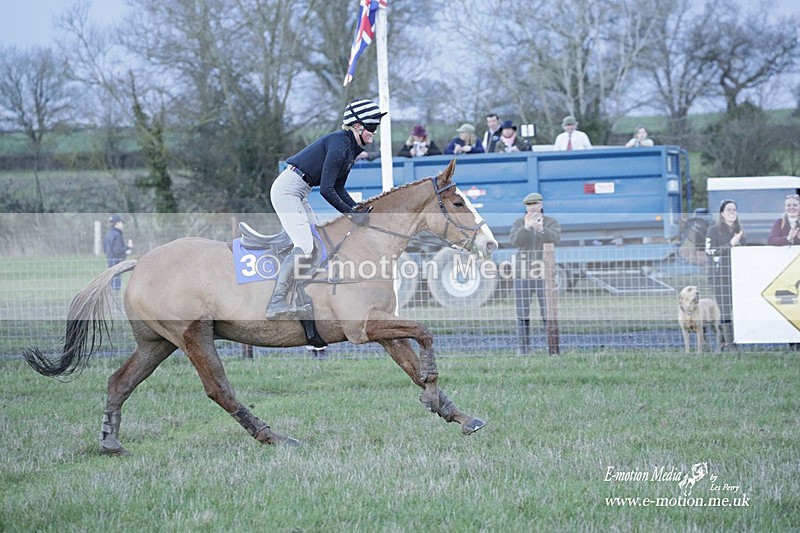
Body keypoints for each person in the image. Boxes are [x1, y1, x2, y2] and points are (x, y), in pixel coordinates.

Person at [266, 98, 383, 319]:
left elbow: (339, 187)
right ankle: (276, 301)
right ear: (357, 126)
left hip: (298, 190)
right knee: (305, 245)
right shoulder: (340, 144)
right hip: (287, 190)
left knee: (316, 244)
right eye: (371, 127)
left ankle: (297, 296)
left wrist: (358, 209)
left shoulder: (351, 148)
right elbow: (327, 190)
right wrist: (352, 215)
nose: (373, 133)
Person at [509, 192, 561, 355]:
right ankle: (523, 349)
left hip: (544, 275)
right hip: (523, 274)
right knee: (522, 312)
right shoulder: (519, 222)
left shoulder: (551, 222)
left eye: (535, 204)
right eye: (529, 205)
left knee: (548, 312)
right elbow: (514, 241)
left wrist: (540, 229)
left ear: (541, 205)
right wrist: (526, 228)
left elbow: (555, 238)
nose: (532, 208)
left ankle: (552, 348)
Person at [705, 199, 746, 351]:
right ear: (722, 214)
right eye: (728, 209)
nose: (732, 212)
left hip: (736, 276)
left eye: (734, 209)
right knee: (726, 308)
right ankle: (730, 344)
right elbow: (710, 251)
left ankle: (722, 341)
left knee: (737, 308)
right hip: (719, 276)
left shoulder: (739, 231)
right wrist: (730, 244)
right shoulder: (713, 230)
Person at [103, 214, 132, 292]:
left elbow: (105, 249)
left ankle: (111, 298)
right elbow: (118, 250)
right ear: (117, 223)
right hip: (117, 262)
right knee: (116, 284)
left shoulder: (107, 234)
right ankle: (115, 298)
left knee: (111, 280)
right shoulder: (117, 235)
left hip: (110, 260)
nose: (122, 225)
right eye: (121, 223)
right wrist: (128, 247)